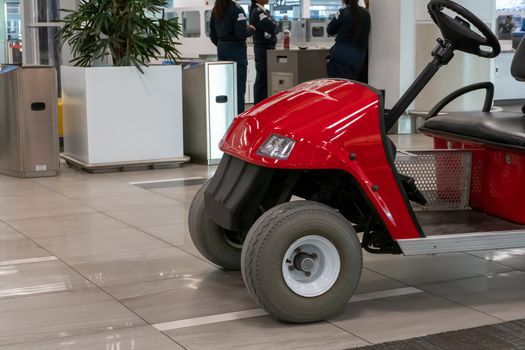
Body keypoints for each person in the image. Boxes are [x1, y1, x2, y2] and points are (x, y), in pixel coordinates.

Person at [210, 0, 255, 113]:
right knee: (238, 88)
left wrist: (222, 44)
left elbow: (213, 35)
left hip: (222, 50)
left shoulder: (216, 9)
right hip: (236, 52)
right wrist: (251, 29)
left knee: (226, 87)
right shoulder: (237, 8)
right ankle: (238, 117)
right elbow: (241, 33)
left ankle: (226, 116)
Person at [326, 0, 371, 81]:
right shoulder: (366, 13)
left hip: (341, 54)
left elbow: (330, 30)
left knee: (338, 84)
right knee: (353, 84)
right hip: (359, 56)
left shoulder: (342, 13)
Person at [249, 0, 278, 104]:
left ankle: (264, 103)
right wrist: (274, 26)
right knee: (262, 78)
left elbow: (274, 26)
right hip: (263, 48)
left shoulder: (265, 11)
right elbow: (272, 26)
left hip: (268, 48)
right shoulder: (257, 12)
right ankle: (258, 104)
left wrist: (274, 26)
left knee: (266, 78)